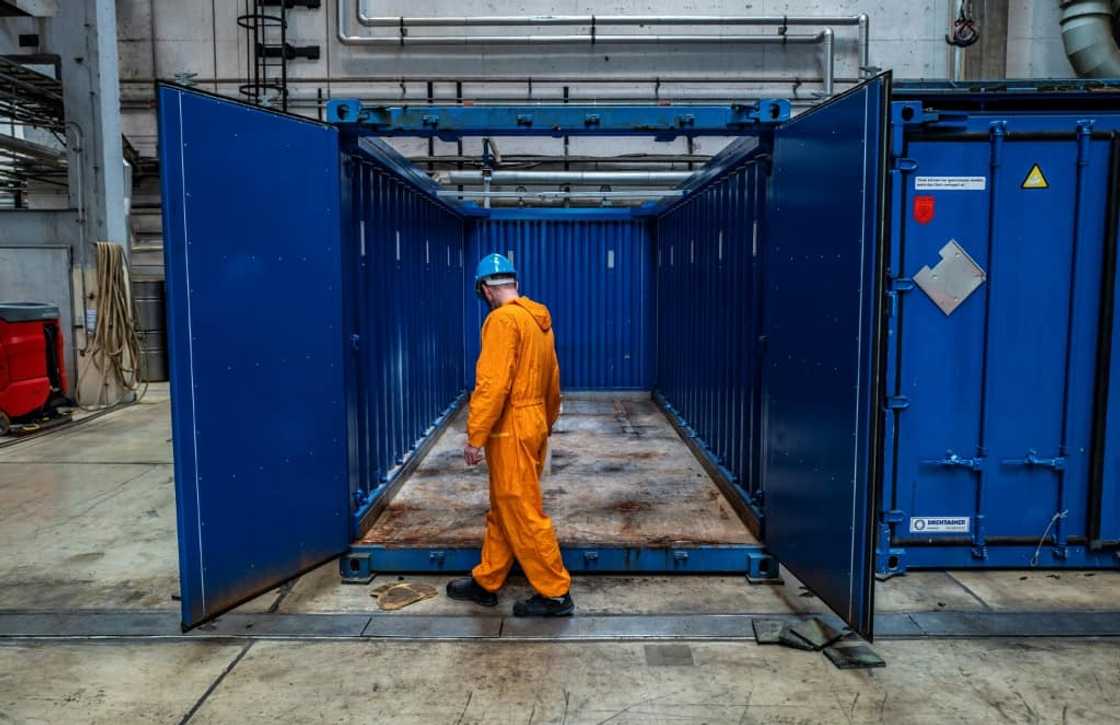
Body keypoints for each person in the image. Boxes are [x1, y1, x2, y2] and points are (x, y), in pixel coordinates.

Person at [446, 253, 574, 617]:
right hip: (533, 419)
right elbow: (553, 376)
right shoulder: (539, 319)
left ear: (486, 290)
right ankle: (487, 580)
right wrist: (544, 423)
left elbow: (492, 385)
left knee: (521, 510)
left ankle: (555, 593)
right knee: (505, 507)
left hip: (511, 425)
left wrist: (475, 436)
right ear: (513, 283)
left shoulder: (501, 321)